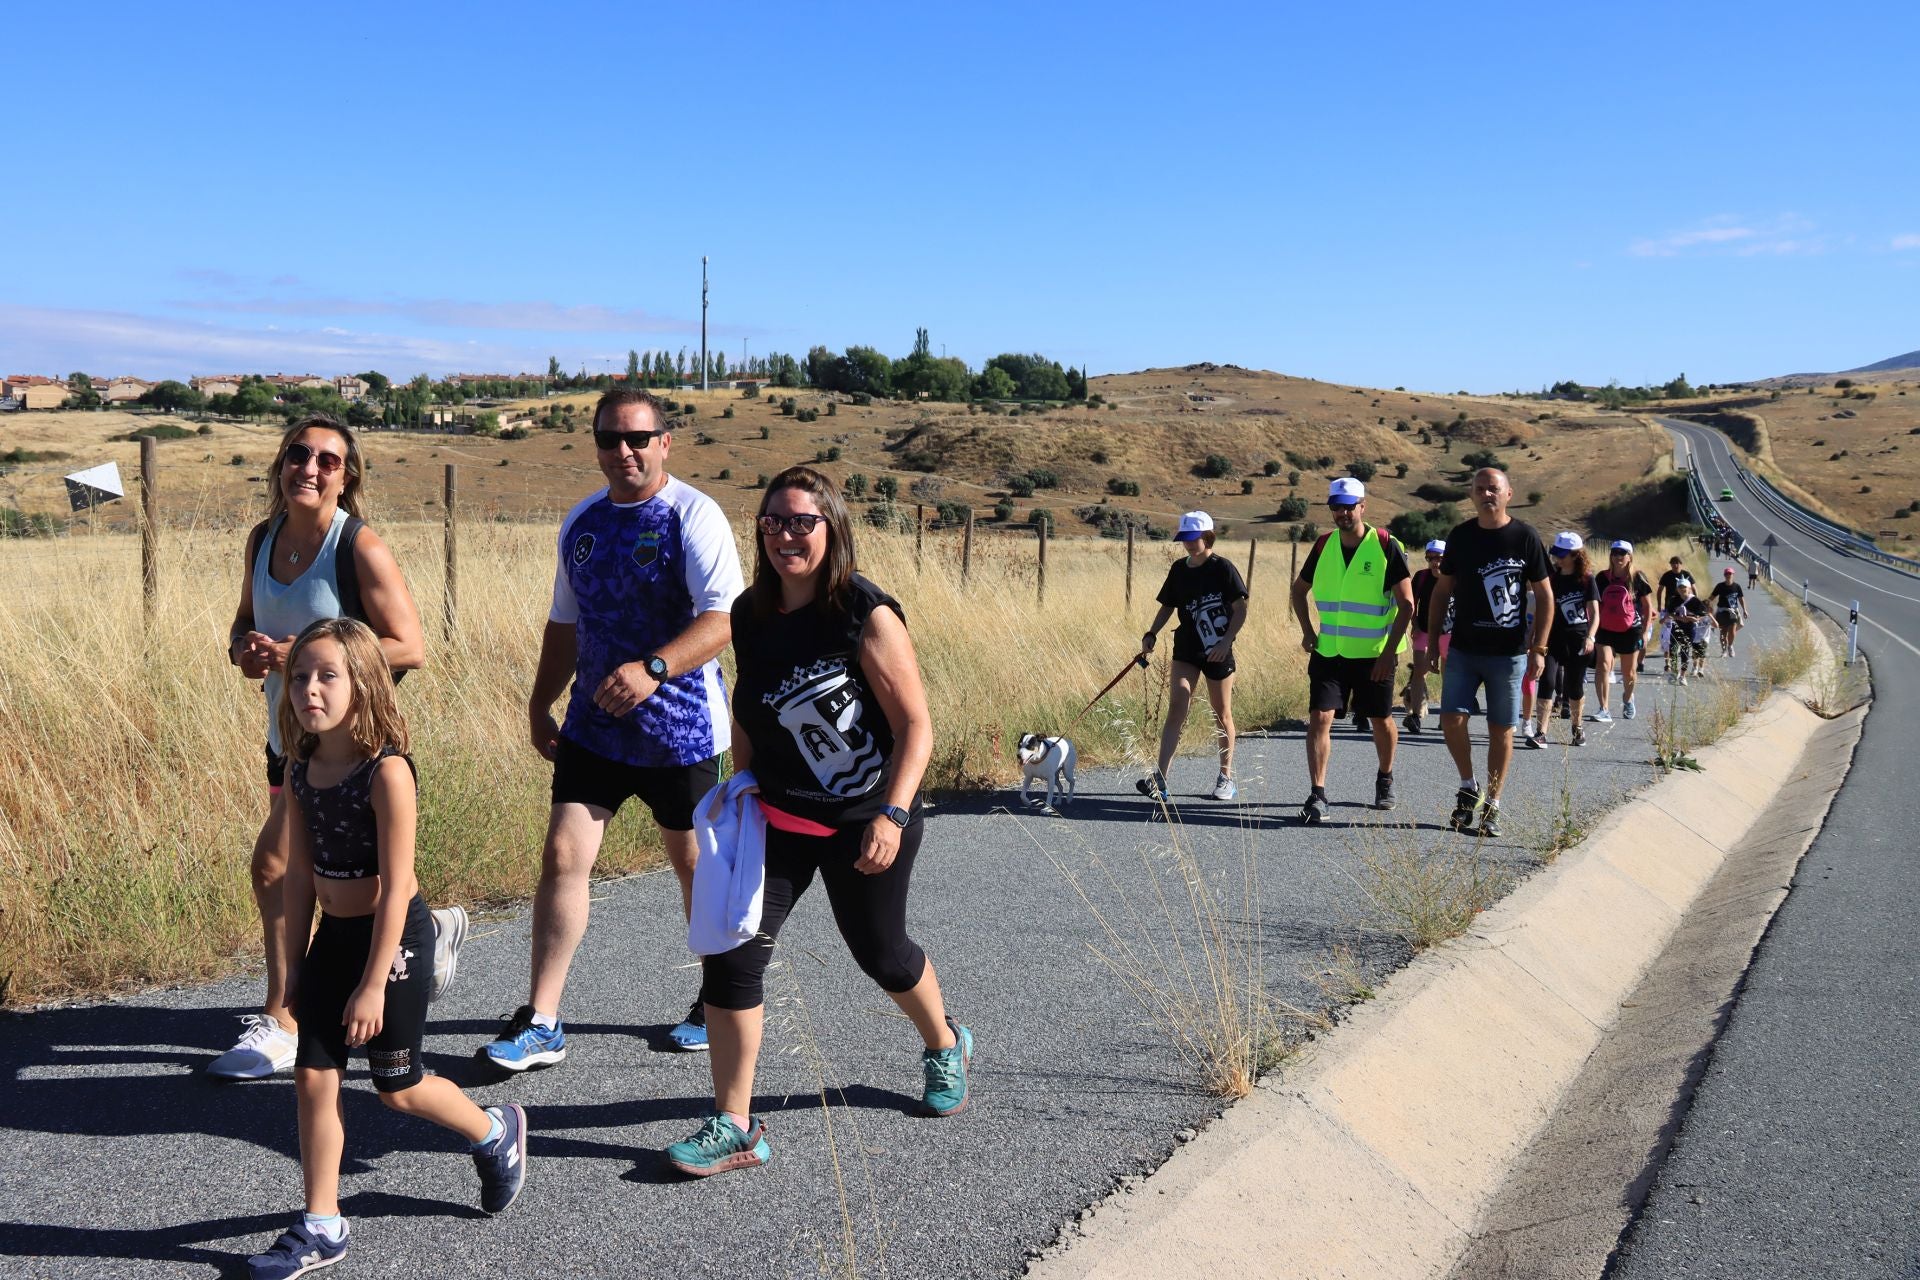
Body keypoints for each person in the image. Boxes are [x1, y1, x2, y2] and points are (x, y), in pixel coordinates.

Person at [664, 466, 970, 1177]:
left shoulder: (863, 612)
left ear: (831, 528)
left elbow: (916, 726)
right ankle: (736, 1125)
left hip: (868, 820)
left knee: (882, 953)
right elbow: (749, 703)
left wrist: (892, 815)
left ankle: (944, 1044)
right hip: (778, 821)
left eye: (801, 521)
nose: (784, 535)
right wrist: (739, 781)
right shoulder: (749, 612)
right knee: (732, 957)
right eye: (772, 521)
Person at [243, 619, 525, 1279]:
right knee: (314, 1075)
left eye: (327, 676)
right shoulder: (301, 767)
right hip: (333, 940)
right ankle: (321, 1223)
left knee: (397, 1087)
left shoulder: (386, 773)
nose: (310, 688)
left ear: (364, 683)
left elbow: (398, 889)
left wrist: (374, 983)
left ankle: (494, 1132)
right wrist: (289, 969)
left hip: (390, 940)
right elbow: (298, 880)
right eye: (301, 675)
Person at [482, 388, 743, 1070]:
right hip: (595, 730)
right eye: (608, 440)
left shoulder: (695, 515)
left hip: (684, 734)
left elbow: (724, 619)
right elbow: (564, 626)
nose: (622, 452)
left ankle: (715, 998)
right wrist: (541, 704)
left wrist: (655, 668)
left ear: (665, 442)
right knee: (564, 858)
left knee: (695, 870)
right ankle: (541, 1019)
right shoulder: (583, 522)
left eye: (637, 438)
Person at [214, 414, 462, 1082]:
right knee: (336, 866)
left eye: (329, 460)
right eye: (300, 454)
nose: (311, 469)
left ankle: (283, 1019)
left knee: (274, 864)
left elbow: (409, 645)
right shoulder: (261, 540)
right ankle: (422, 937)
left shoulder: (359, 546)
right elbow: (245, 619)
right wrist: (244, 647)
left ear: (346, 477)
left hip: (351, 748)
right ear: (281, 462)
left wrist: (301, 652)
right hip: (290, 739)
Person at [1423, 467, 1551, 838]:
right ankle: (1468, 785)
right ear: (1472, 495)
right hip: (1463, 649)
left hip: (1508, 654)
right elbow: (1441, 591)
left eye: (1493, 488)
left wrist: (1539, 647)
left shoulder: (1525, 537)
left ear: (1508, 493)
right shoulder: (1461, 536)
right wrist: (1433, 641)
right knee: (1451, 719)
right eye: (1480, 489)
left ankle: (1492, 804)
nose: (1486, 494)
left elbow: (1545, 597)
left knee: (1501, 730)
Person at [1289, 478, 1414, 822]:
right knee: (1319, 717)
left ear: (1363, 506)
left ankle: (1385, 777)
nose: (1342, 513)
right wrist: (1307, 632)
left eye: (1349, 506)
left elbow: (1406, 605)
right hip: (1330, 652)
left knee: (1380, 719)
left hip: (1375, 653)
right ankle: (1317, 794)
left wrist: (1389, 653)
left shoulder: (1387, 545)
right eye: (1336, 506)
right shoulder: (1323, 546)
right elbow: (1299, 591)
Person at [1137, 510, 1249, 802]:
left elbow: (1240, 609)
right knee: (1178, 706)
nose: (1187, 544)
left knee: (1221, 712)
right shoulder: (1178, 569)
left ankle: (1226, 777)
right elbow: (1168, 606)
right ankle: (1160, 779)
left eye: (1192, 538)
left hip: (1217, 650)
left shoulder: (1223, 568)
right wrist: (1152, 633)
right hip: (1186, 647)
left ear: (1207, 536)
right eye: (1184, 538)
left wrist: (1226, 642)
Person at [1526, 532, 1598, 749]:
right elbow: (1541, 609)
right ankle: (1541, 733)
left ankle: (1577, 729)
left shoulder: (1587, 579)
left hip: (1578, 639)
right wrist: (1534, 637)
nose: (1557, 558)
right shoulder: (1551, 579)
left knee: (1574, 687)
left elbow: (1594, 612)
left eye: (1562, 555)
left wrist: (1591, 637)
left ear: (1576, 555)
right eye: (1556, 554)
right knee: (1547, 681)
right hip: (1552, 639)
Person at [1590, 541, 1654, 723]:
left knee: (1629, 673)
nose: (1618, 556)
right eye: (1615, 552)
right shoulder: (1601, 578)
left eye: (1622, 553)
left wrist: (1645, 631)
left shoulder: (1638, 578)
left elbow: (1648, 606)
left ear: (1630, 556)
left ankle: (1627, 697)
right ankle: (1604, 708)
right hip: (1605, 628)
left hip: (1630, 629)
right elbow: (1593, 604)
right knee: (1602, 665)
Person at [1402, 539, 1449, 735]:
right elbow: (1412, 602)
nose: (1435, 563)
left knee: (1449, 677)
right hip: (1423, 631)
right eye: (1430, 558)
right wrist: (1413, 624)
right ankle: (1414, 715)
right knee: (1419, 672)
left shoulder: (1454, 578)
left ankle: (1445, 717)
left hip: (1448, 633)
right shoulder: (1421, 577)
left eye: (1438, 558)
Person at [1663, 585, 1710, 683]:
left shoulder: (1695, 600)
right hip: (1676, 627)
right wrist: (1681, 618)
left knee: (1685, 651)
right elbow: (1669, 613)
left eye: (1684, 587)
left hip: (1690, 628)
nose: (1682, 589)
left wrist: (1694, 618)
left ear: (1689, 588)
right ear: (1677, 589)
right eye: (1680, 587)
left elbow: (1703, 614)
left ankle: (1682, 676)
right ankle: (1675, 672)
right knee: (1674, 650)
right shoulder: (1674, 599)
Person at [1656, 556, 1695, 674]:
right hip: (1670, 608)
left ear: (1680, 564)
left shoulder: (1686, 574)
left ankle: (1681, 670)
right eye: (1673, 563)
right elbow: (1660, 590)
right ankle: (1669, 664)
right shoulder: (1667, 575)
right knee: (1668, 638)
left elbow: (1694, 588)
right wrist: (1659, 605)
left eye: (1677, 563)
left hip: (1685, 610)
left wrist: (1694, 603)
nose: (1675, 565)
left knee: (1684, 644)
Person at [1710, 566, 1750, 657]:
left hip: (1733, 611)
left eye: (1730, 574)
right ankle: (1724, 650)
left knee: (1732, 630)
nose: (1729, 575)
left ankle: (1730, 646)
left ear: (1733, 575)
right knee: (1723, 632)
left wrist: (1744, 610)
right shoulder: (1720, 586)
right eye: (1727, 574)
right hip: (1722, 611)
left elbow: (1741, 599)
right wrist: (1705, 605)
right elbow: (1712, 597)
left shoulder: (1737, 586)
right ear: (1724, 575)